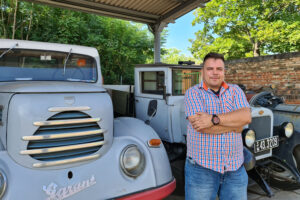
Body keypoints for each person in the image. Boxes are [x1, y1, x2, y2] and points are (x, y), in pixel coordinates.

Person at [184, 52, 252, 200]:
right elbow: (202, 127)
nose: (215, 72)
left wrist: (213, 119)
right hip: (201, 170)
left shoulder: (236, 91)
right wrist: (235, 125)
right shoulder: (192, 93)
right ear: (202, 71)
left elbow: (246, 117)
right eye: (210, 68)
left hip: (235, 168)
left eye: (219, 69)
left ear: (224, 72)